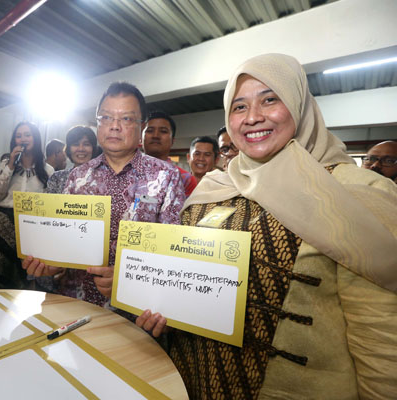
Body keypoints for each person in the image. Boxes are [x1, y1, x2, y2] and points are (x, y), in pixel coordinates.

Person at [137, 54, 397, 399]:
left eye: (270, 99)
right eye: (239, 106)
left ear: (300, 104)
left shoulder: (355, 191)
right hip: (189, 382)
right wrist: (154, 298)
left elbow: (381, 341)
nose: (253, 117)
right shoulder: (216, 185)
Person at [23, 82, 185, 308]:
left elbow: (172, 251)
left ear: (142, 127)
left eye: (126, 119)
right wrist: (53, 264)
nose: (115, 126)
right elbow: (64, 242)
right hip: (75, 301)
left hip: (136, 309)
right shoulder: (78, 177)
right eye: (106, 118)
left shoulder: (166, 176)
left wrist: (128, 277)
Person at [0, 121, 54, 290]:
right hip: (3, 222)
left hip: (31, 226)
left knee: (24, 272)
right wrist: (11, 164)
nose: (23, 139)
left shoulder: (47, 170)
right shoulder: (7, 163)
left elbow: (50, 203)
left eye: (27, 135)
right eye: (18, 136)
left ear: (35, 138)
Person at [143, 110, 197, 196]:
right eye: (150, 130)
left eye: (163, 131)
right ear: (140, 138)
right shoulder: (125, 174)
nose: (155, 135)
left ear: (172, 141)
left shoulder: (185, 179)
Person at [46, 126, 100, 194]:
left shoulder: (104, 178)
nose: (81, 149)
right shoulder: (57, 178)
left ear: (93, 149)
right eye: (76, 144)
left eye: (86, 144)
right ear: (68, 149)